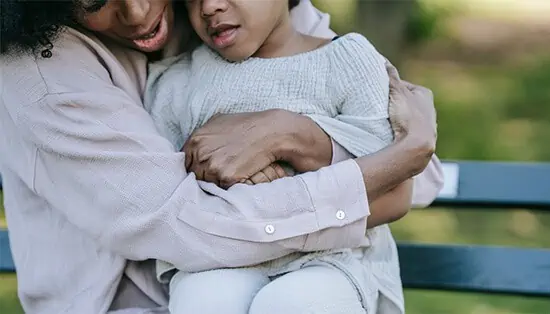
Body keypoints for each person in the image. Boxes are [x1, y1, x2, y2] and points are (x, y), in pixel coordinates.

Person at [0, 1, 442, 314]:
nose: (136, 12)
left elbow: (414, 182)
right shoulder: (43, 74)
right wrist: (397, 161)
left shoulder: (256, 18)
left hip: (315, 275)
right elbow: (188, 224)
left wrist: (297, 135)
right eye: (95, 0)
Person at [144, 1, 432, 313]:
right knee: (203, 298)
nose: (209, 6)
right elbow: (170, 196)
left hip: (335, 261)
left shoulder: (347, 61)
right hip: (221, 258)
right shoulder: (178, 83)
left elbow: (389, 182)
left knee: (292, 302)